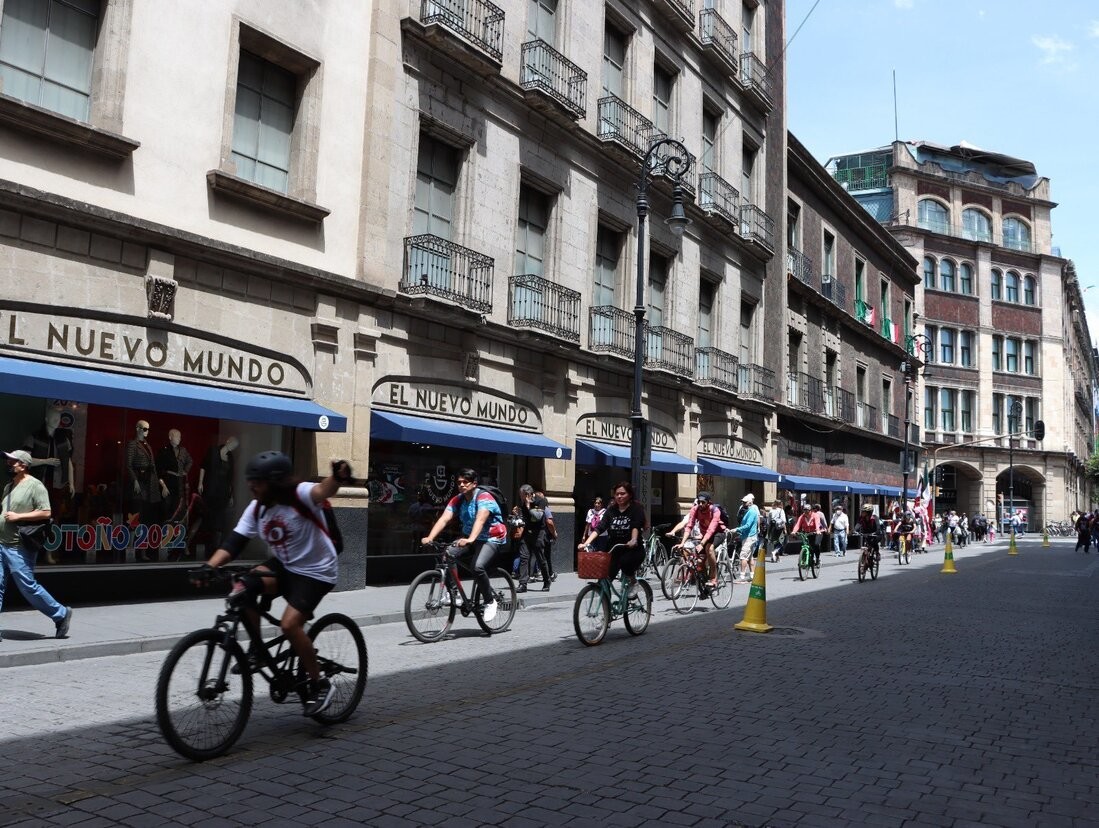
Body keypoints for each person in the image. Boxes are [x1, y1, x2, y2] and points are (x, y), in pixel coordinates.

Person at [192, 451, 352, 716]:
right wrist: (209, 566)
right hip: (286, 565)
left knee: (290, 624)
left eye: (258, 481)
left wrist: (337, 476)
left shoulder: (300, 496)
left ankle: (319, 684)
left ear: (275, 481)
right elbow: (234, 543)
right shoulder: (257, 508)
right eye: (250, 480)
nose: (251, 485)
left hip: (316, 570)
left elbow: (323, 490)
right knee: (242, 587)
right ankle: (257, 651)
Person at [0, 450, 72, 641]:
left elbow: (46, 512)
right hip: (2, 544)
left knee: (27, 587)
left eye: (12, 462)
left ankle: (61, 613)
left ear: (23, 465)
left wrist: (19, 517)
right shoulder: (9, 486)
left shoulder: (35, 486)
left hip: (19, 545)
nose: (8, 464)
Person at [421, 468, 506, 622]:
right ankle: (455, 594)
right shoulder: (458, 499)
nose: (461, 485)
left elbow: (480, 519)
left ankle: (490, 601)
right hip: (470, 536)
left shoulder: (484, 497)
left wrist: (471, 539)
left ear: (474, 484)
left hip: (491, 537)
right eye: (459, 482)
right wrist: (430, 537)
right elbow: (444, 519)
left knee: (477, 567)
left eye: (465, 482)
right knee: (448, 554)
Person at [578, 481, 646, 593]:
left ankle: (633, 582)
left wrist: (633, 539)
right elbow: (600, 528)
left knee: (625, 562)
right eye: (617, 494)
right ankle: (607, 606)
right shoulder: (611, 510)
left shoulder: (636, 509)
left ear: (629, 494)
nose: (619, 496)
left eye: (623, 493)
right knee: (605, 577)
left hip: (632, 549)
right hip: (614, 548)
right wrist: (586, 543)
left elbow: (635, 526)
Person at [126, 419, 169, 561]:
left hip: (149, 484)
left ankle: (142, 552)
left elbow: (154, 468)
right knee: (135, 518)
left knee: (144, 520)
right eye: (144, 429)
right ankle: (130, 549)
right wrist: (135, 481)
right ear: (137, 428)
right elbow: (128, 465)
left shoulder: (148, 446)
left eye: (148, 429)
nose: (146, 432)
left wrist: (160, 485)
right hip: (139, 482)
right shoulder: (132, 444)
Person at [675, 491, 725, 588]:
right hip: (705, 535)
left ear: (709, 502)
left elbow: (711, 529)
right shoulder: (695, 509)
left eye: (703, 502)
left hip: (718, 533)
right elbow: (689, 526)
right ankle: (705, 585)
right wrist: (682, 543)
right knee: (699, 562)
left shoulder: (715, 510)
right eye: (699, 502)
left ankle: (714, 579)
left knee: (709, 549)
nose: (701, 504)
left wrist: (701, 544)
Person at [516, 483, 550, 593]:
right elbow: (523, 517)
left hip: (538, 533)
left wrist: (527, 506)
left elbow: (538, 517)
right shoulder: (521, 502)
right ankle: (523, 584)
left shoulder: (541, 501)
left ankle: (546, 580)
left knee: (540, 559)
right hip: (527, 532)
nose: (520, 497)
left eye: (521, 495)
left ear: (528, 494)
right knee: (524, 557)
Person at [733, 493, 759, 581]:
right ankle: (752, 575)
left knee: (743, 556)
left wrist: (737, 529)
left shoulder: (752, 512)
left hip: (749, 536)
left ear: (750, 503)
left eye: (745, 502)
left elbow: (747, 525)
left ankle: (742, 576)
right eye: (743, 502)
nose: (743, 504)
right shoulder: (748, 511)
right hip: (748, 536)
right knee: (750, 557)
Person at [791, 502, 826, 566]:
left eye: (807, 511)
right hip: (807, 533)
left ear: (811, 510)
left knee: (816, 545)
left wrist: (817, 531)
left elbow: (817, 523)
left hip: (817, 532)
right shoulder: (802, 516)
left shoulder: (815, 515)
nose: (806, 512)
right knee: (807, 545)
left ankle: (817, 559)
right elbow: (798, 525)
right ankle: (807, 558)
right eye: (804, 510)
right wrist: (794, 531)